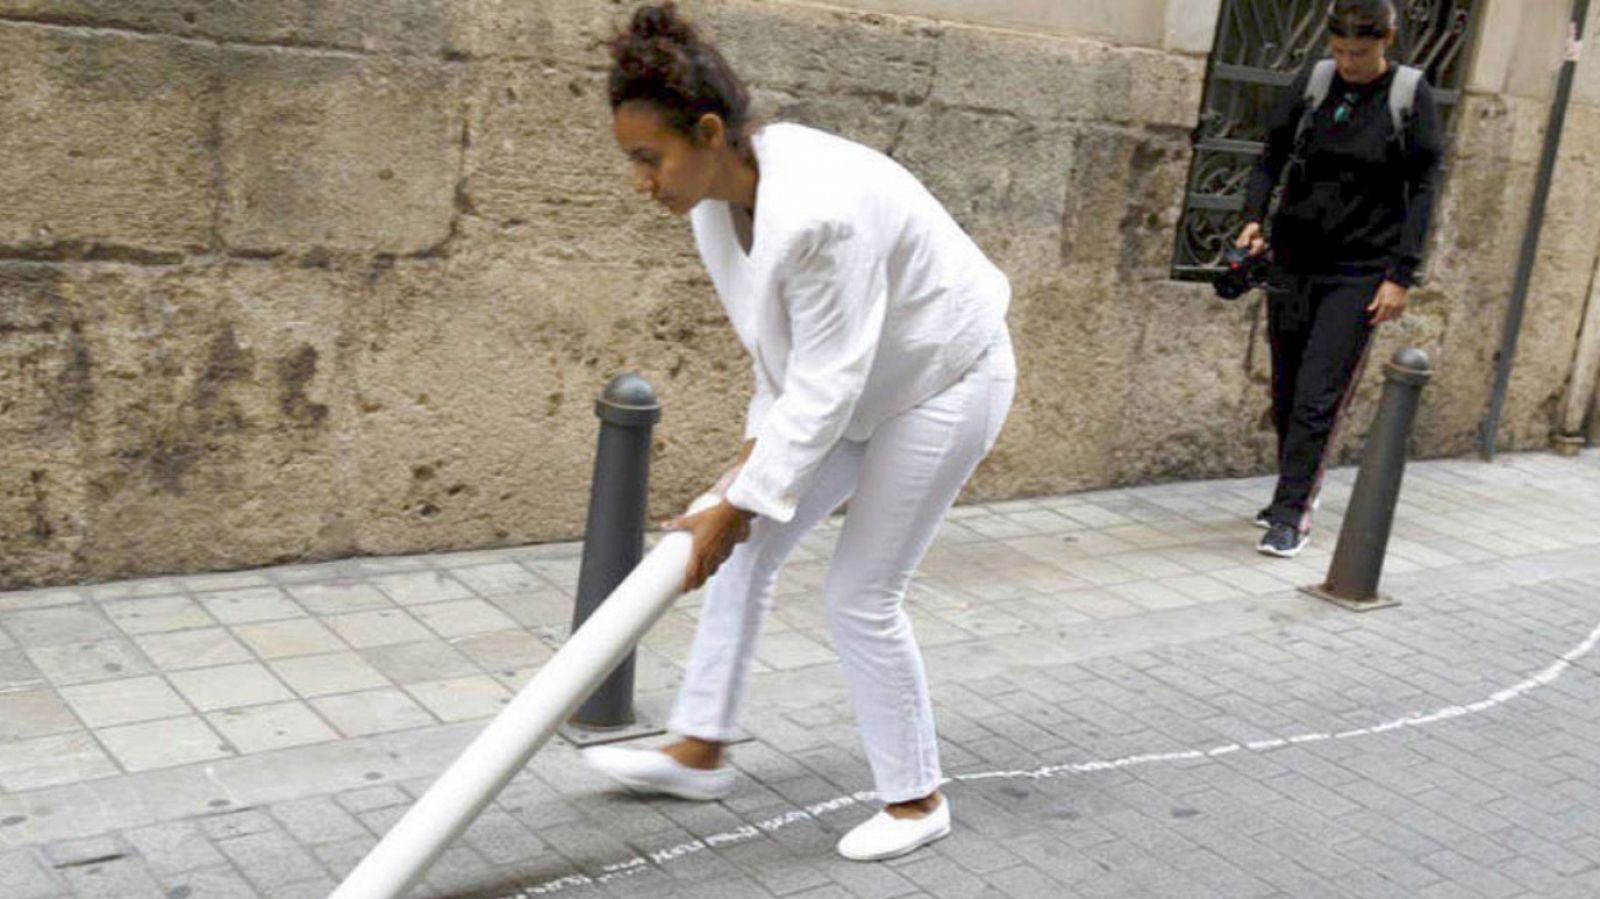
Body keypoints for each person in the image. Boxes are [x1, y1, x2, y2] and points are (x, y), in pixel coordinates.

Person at [582, 2, 1016, 862]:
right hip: (860, 386)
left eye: (648, 158)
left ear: (708, 131)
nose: (641, 181)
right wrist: (742, 483)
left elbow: (826, 379)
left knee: (860, 593)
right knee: (738, 536)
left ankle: (916, 798)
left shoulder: (817, 211)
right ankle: (699, 747)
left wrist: (742, 495)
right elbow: (784, 364)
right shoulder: (718, 201)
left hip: (944, 380)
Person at [1236, 0, 1444, 558]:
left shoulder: (1409, 95)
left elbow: (1424, 189)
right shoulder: (1316, 82)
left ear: (1388, 39)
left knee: (1317, 397)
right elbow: (1271, 155)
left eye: (1361, 52)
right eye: (1340, 50)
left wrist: (1401, 275)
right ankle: (1295, 488)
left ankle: (1291, 513)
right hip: (1293, 260)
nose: (1349, 62)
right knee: (1285, 391)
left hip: (1359, 272)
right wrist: (1254, 218)